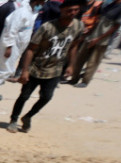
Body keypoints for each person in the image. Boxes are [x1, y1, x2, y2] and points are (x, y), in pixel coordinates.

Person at [8, 0, 83, 133]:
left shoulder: (78, 26)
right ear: (62, 10)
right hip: (36, 68)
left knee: (46, 97)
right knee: (24, 96)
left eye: (76, 10)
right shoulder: (47, 27)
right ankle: (13, 120)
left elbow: (74, 46)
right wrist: (25, 71)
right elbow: (31, 49)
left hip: (55, 70)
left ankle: (28, 117)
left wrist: (71, 65)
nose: (73, 13)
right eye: (69, 10)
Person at [0, 0, 38, 100]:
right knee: (6, 69)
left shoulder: (28, 13)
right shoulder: (22, 12)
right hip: (11, 46)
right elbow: (11, 30)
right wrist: (9, 46)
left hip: (15, 46)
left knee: (2, 68)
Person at [68, 0, 121, 86]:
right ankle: (74, 79)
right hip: (92, 34)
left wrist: (98, 39)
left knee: (93, 60)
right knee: (80, 57)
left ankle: (85, 81)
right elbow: (97, 19)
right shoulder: (109, 4)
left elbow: (116, 26)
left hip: (103, 38)